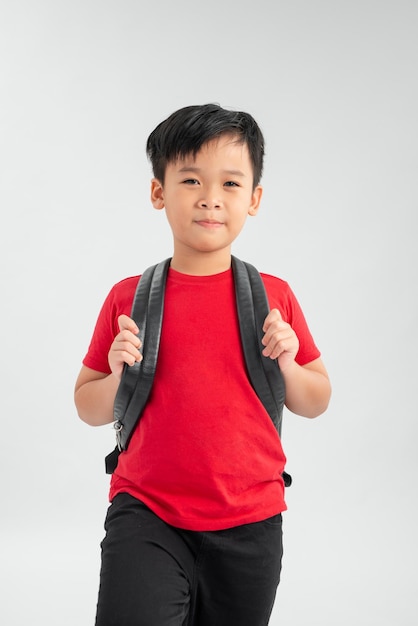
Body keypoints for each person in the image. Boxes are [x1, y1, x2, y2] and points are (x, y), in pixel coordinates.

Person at [74, 103, 331, 626]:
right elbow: (87, 405)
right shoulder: (129, 298)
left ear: (254, 199)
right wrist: (118, 373)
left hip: (251, 523)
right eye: (190, 179)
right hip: (146, 511)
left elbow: (316, 400)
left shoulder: (272, 296)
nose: (210, 198)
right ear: (158, 192)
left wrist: (288, 363)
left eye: (231, 184)